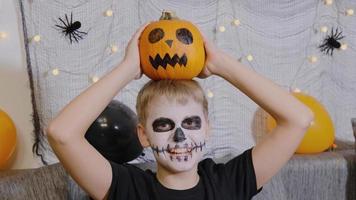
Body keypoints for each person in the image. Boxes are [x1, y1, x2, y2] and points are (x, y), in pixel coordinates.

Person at [47, 23, 314, 200]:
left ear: (207, 127)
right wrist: (128, 69)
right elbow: (61, 134)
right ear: (143, 135)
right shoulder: (128, 189)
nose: (180, 138)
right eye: (163, 125)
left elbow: (299, 119)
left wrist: (220, 64)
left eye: (191, 122)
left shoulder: (228, 184)